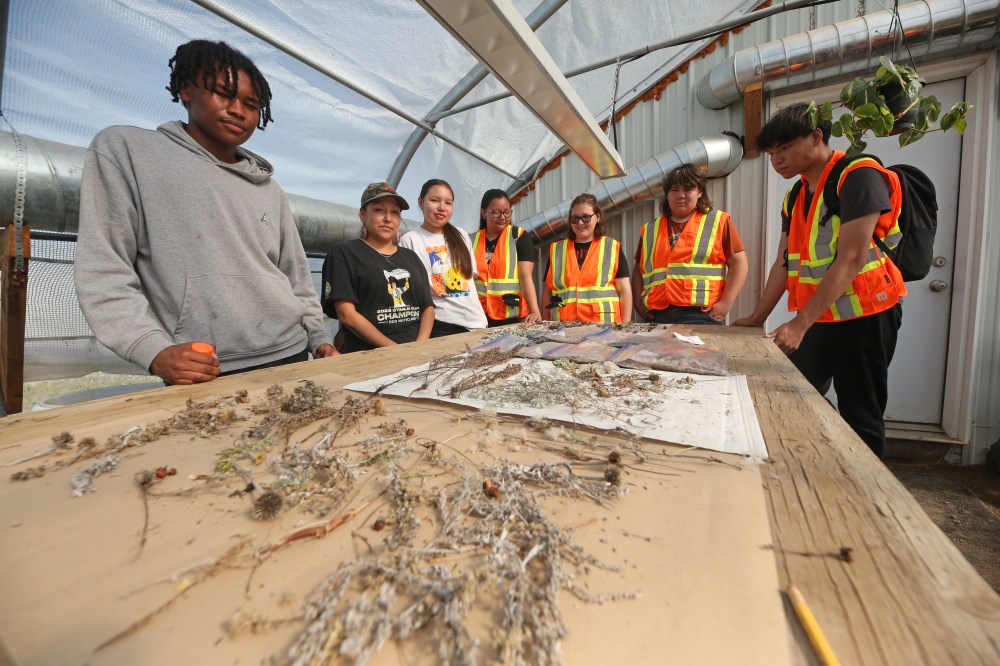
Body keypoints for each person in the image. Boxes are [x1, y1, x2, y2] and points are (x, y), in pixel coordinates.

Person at [75, 40, 335, 385]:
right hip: (203, 366)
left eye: (252, 104)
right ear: (185, 89)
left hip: (290, 351)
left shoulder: (269, 189)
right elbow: (104, 267)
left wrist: (319, 339)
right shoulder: (128, 152)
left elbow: (297, 278)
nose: (239, 110)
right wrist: (152, 350)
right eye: (224, 94)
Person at [733, 102, 905, 458]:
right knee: (789, 389)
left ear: (816, 136)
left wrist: (800, 322)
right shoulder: (796, 195)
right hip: (820, 317)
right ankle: (822, 464)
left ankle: (869, 498)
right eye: (770, 152)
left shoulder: (856, 175)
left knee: (861, 413)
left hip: (865, 316)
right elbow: (783, 263)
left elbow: (853, 257)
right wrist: (757, 317)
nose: (776, 159)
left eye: (785, 147)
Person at [321, 183, 434, 353]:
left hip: (416, 353)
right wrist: (396, 350)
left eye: (395, 212)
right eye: (379, 210)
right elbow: (346, 314)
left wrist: (419, 346)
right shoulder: (344, 253)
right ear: (362, 215)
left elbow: (427, 307)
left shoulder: (411, 257)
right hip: (369, 356)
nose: (388, 218)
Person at [632, 164, 748, 325]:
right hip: (658, 315)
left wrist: (725, 304)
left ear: (699, 192)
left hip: (702, 315)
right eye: (674, 190)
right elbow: (639, 269)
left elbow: (739, 263)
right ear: (667, 194)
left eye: (687, 189)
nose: (680, 195)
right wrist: (638, 304)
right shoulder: (650, 229)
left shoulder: (717, 222)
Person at [399, 179, 488, 336]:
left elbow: (470, 278)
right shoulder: (410, 240)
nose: (442, 208)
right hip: (443, 325)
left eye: (448, 203)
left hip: (477, 323)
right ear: (421, 202)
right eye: (434, 200)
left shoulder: (460, 235)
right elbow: (414, 292)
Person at [541, 193, 632, 323]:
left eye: (586, 217)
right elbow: (547, 292)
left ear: (598, 217)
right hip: (565, 328)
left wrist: (625, 326)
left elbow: (625, 291)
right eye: (575, 218)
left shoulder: (611, 247)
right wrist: (545, 325)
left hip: (604, 328)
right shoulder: (557, 250)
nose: (580, 222)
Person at [471, 189, 542, 326]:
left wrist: (535, 311)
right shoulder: (471, 239)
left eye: (507, 212)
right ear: (484, 213)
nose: (502, 217)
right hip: (478, 316)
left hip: (510, 315)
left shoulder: (519, 236)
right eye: (496, 212)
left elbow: (525, 276)